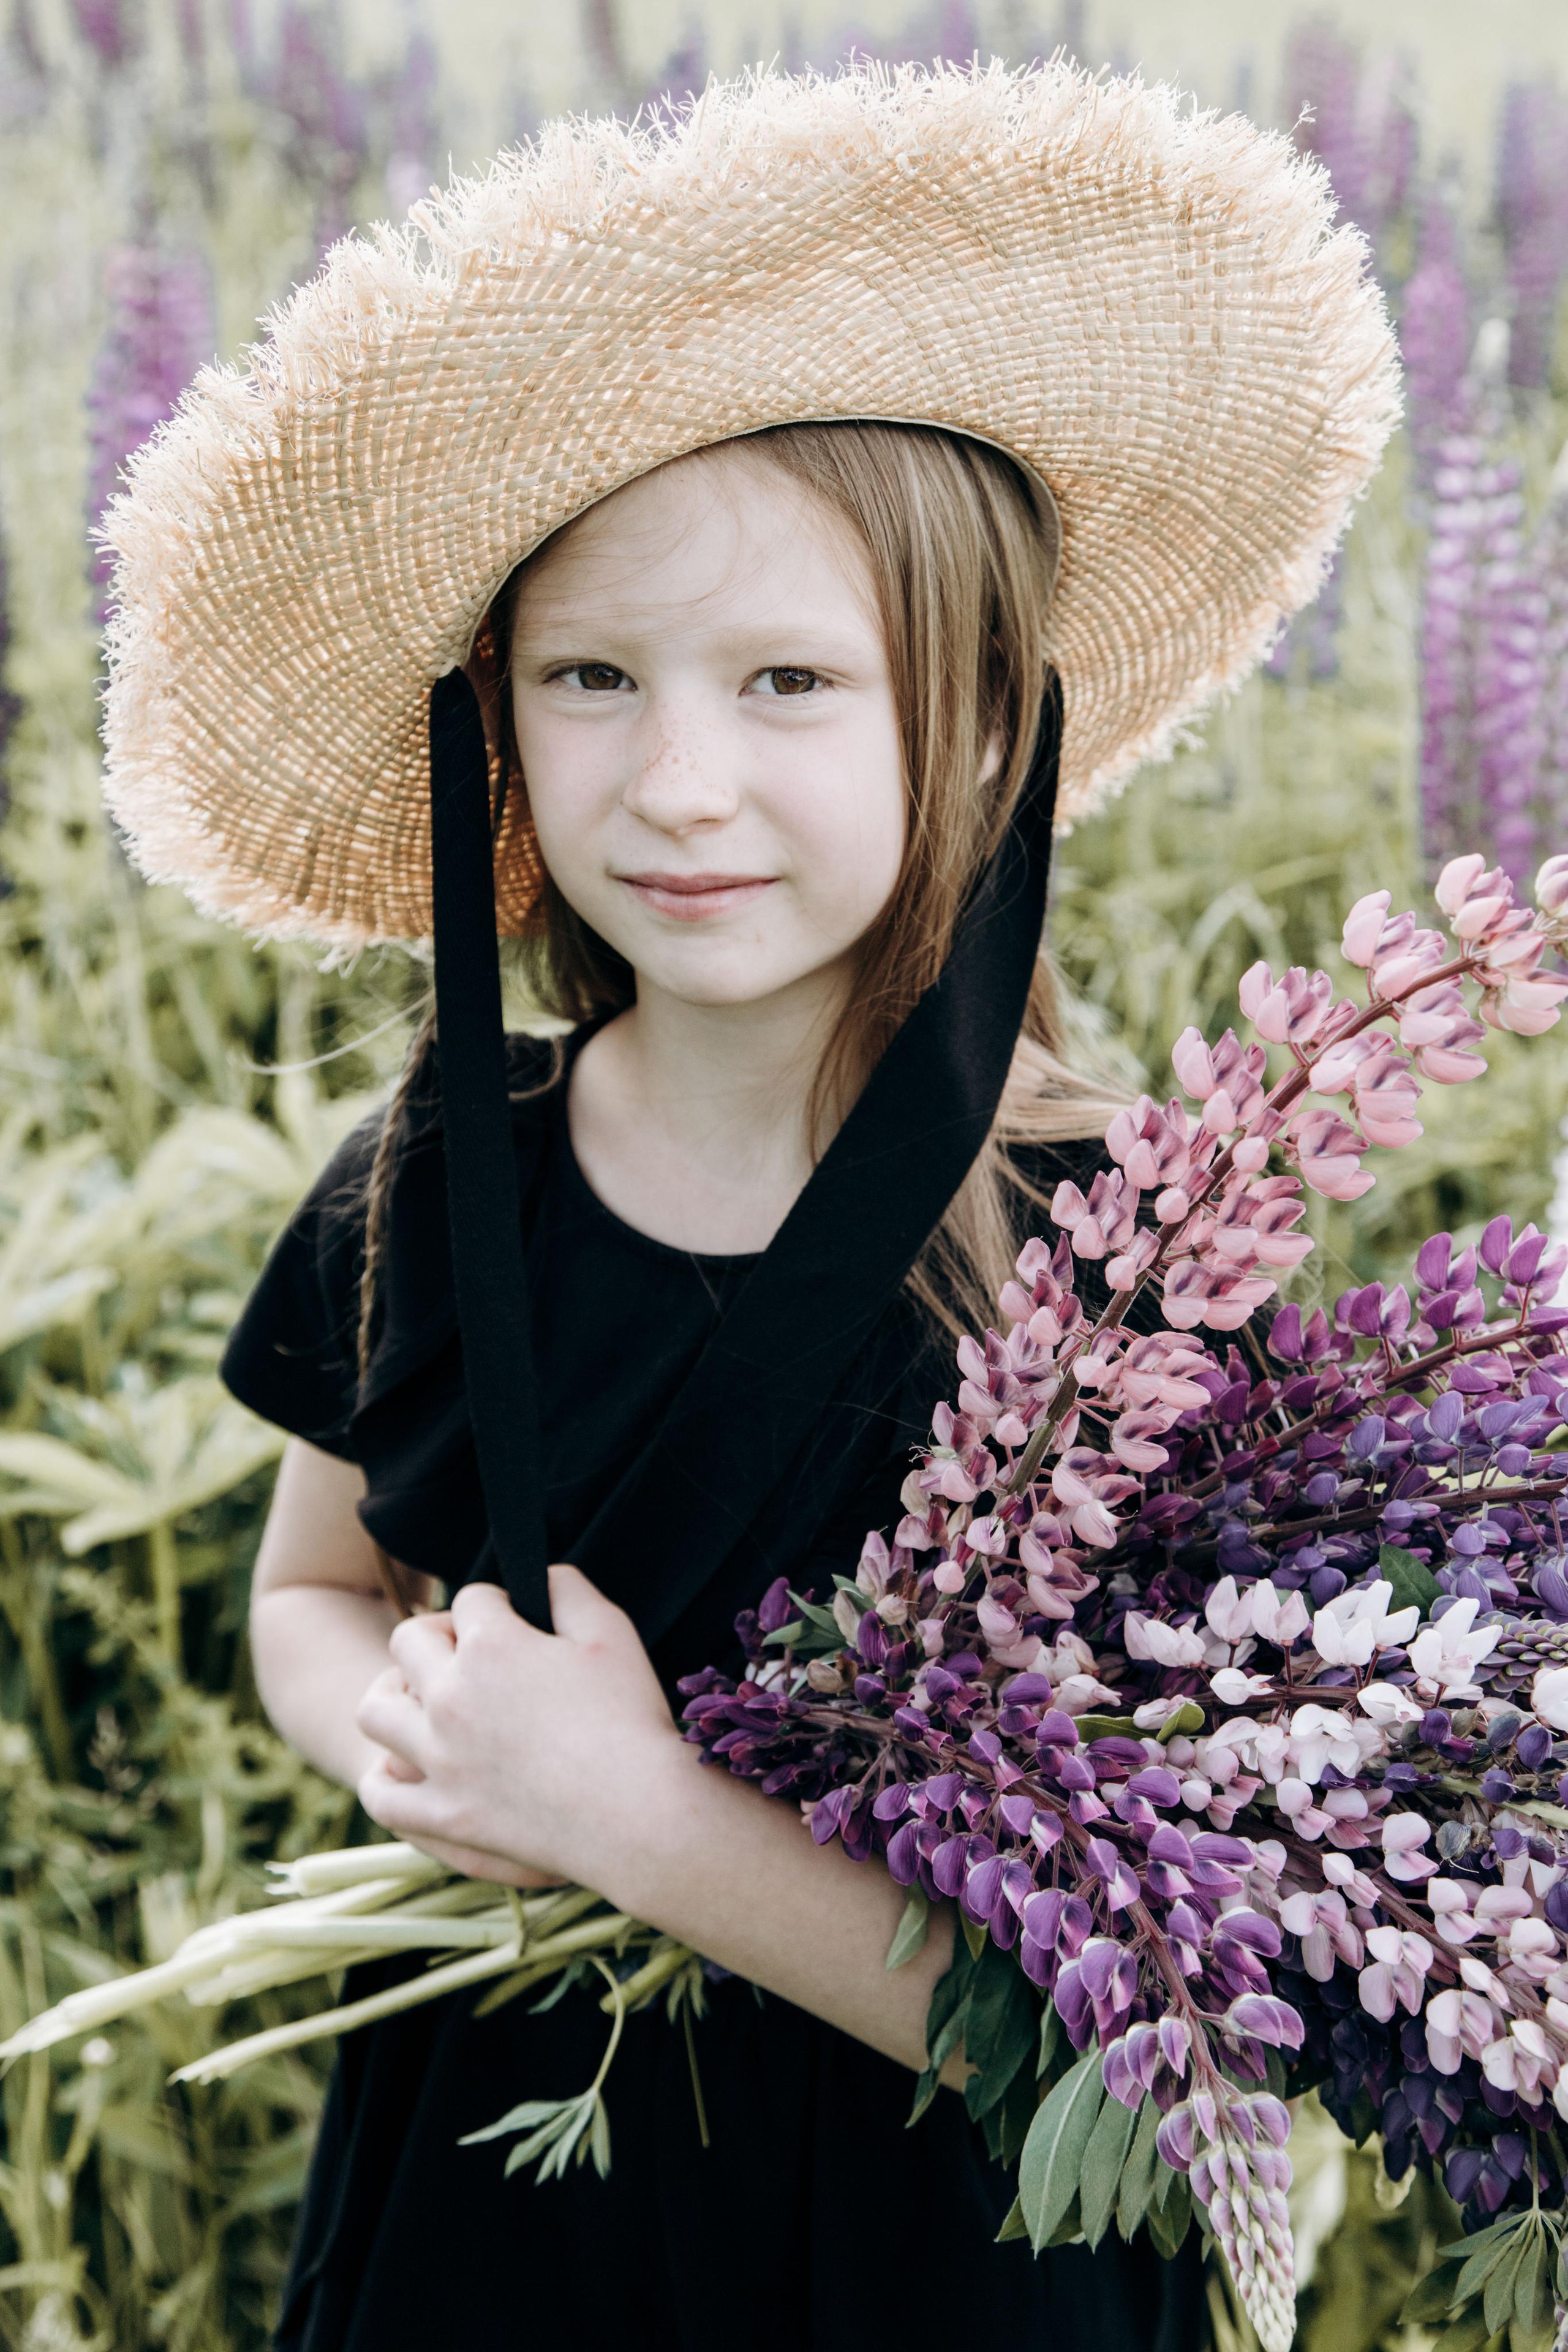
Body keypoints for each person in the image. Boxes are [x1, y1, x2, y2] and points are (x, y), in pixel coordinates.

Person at [97, 59, 1400, 2352]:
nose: (677, 783)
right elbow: (315, 1586)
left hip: (941, 2266)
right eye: (591, 679)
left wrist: (633, 1816)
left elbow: (1179, 2044)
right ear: (491, 717)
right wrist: (409, 1733)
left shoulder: (1119, 1250)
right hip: (487, 2228)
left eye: (791, 682)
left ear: (982, 727)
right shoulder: (434, 1174)